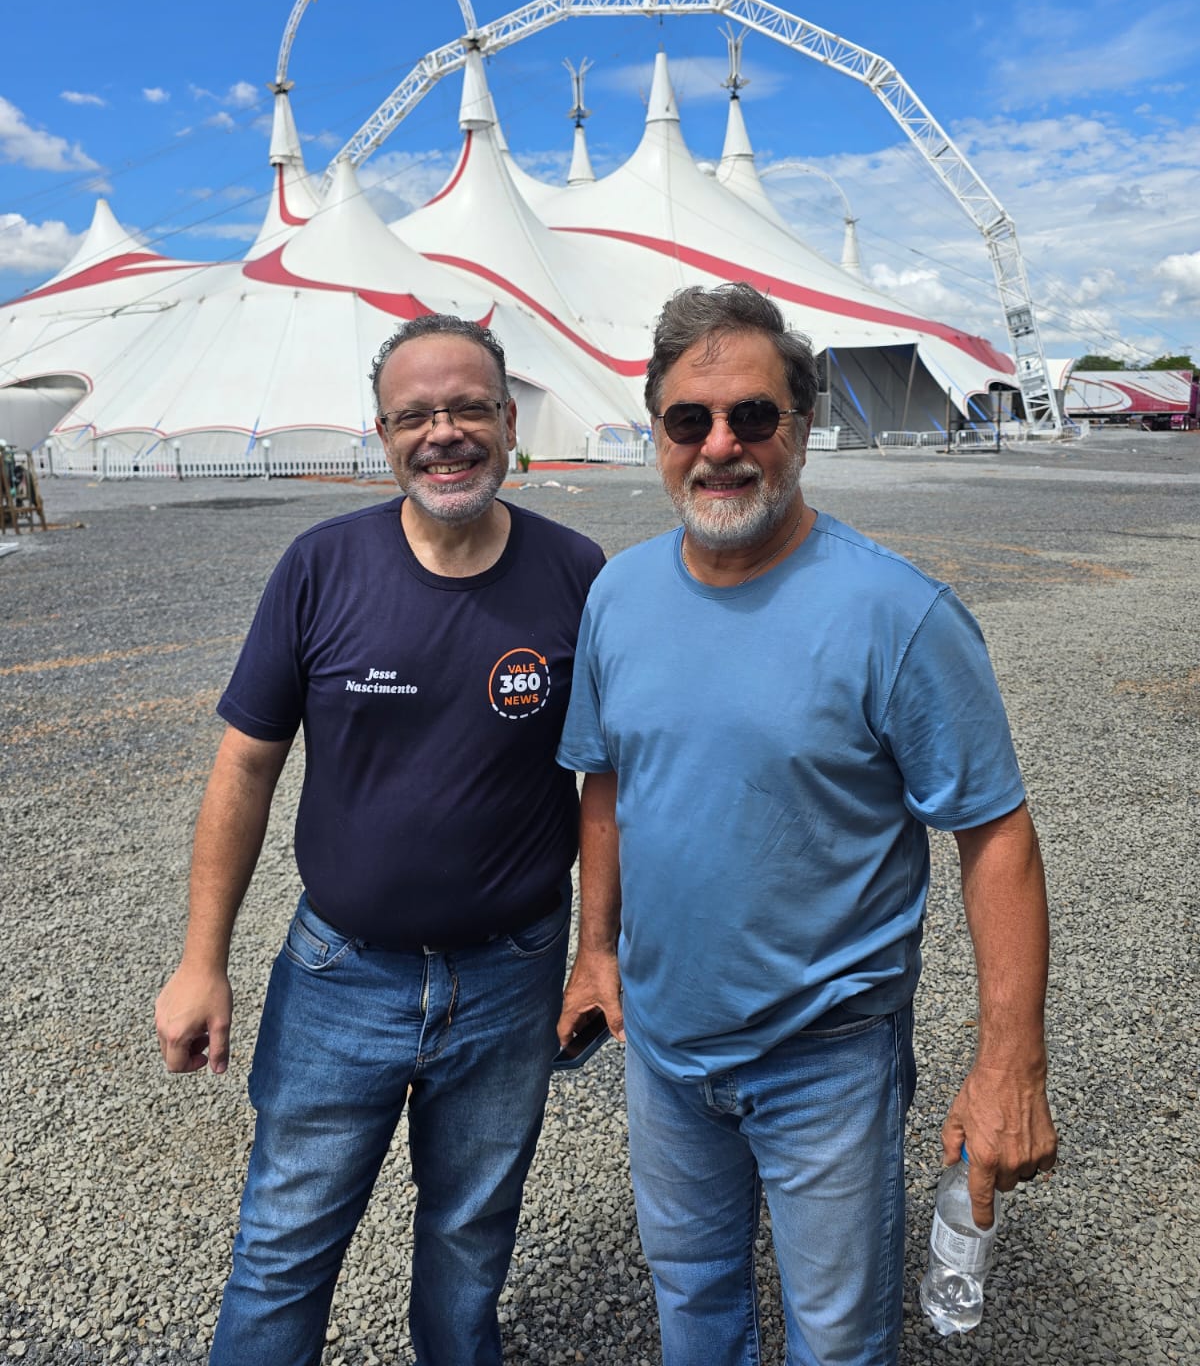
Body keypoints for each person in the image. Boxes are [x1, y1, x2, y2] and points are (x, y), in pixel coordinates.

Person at [556, 283, 1057, 1366]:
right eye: (690, 419)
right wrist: (594, 954)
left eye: (754, 417)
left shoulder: (896, 612)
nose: (721, 446)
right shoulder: (619, 596)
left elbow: (996, 832)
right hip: (665, 1048)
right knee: (692, 1306)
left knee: (837, 1338)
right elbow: (604, 782)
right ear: (657, 431)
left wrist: (1009, 1063)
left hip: (826, 1056)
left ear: (804, 427)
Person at [155, 314, 604, 1366]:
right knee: (284, 1245)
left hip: (511, 978)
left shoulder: (576, 571)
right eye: (416, 415)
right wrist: (200, 961)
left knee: (469, 1244)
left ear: (508, 420)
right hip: (340, 975)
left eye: (467, 408)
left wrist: (597, 949)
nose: (443, 433)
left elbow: (606, 780)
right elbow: (245, 766)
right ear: (383, 432)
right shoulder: (321, 566)